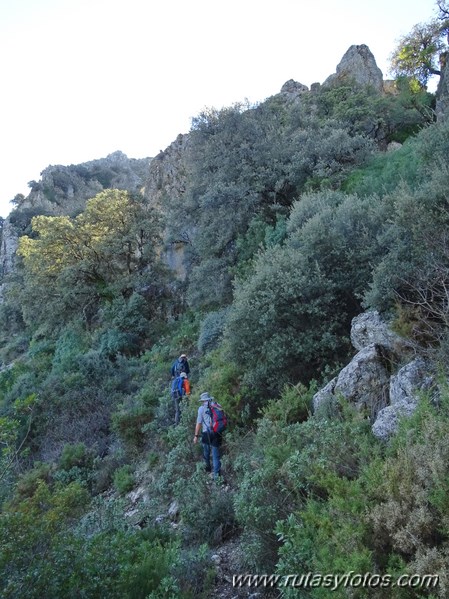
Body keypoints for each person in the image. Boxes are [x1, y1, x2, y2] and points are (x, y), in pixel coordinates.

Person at [193, 392, 222, 479]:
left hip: (206, 434)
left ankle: (208, 468)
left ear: (203, 400)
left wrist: (196, 436)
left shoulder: (201, 409)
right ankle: (217, 476)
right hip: (217, 432)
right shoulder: (217, 405)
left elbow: (198, 424)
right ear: (209, 399)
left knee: (206, 452)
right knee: (216, 455)